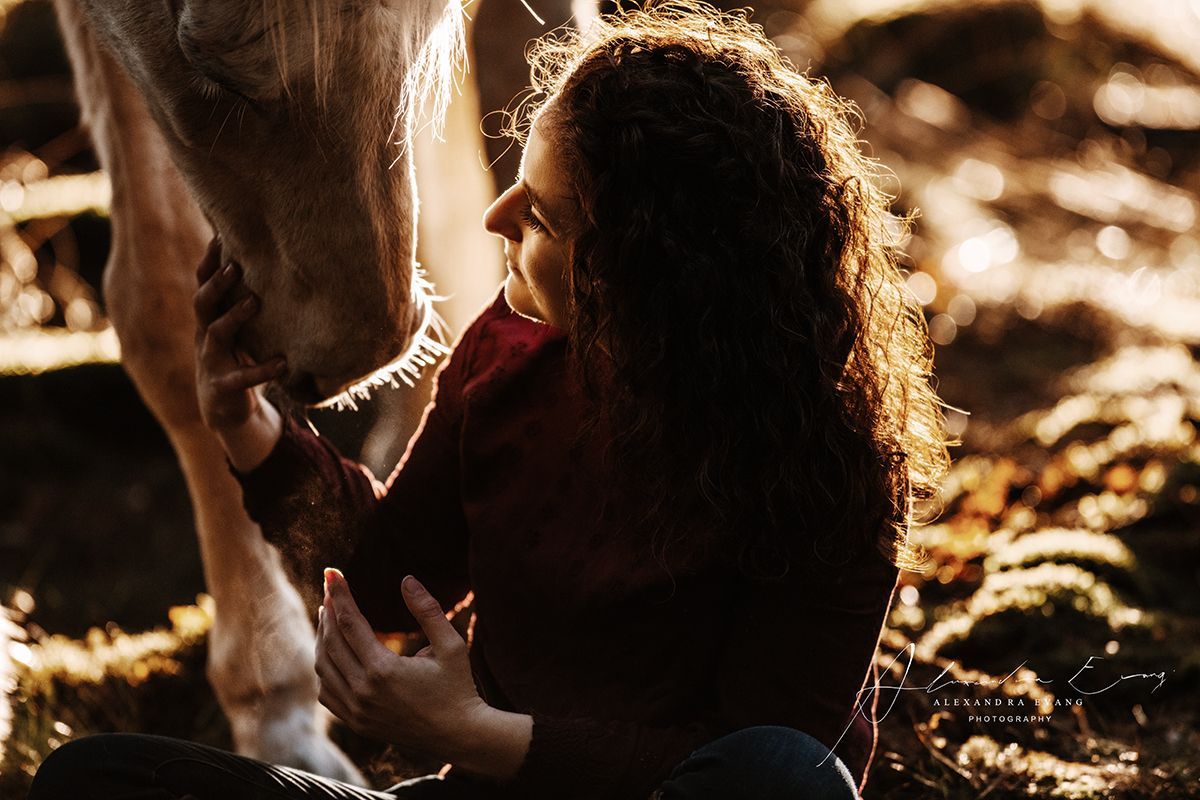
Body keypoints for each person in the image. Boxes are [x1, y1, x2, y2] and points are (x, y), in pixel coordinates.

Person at [28, 3, 949, 798]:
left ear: (644, 272)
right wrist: (247, 427)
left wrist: (477, 735)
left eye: (539, 215)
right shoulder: (507, 352)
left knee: (785, 779)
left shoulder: (836, 470)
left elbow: (753, 756)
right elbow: (391, 572)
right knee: (96, 777)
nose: (493, 218)